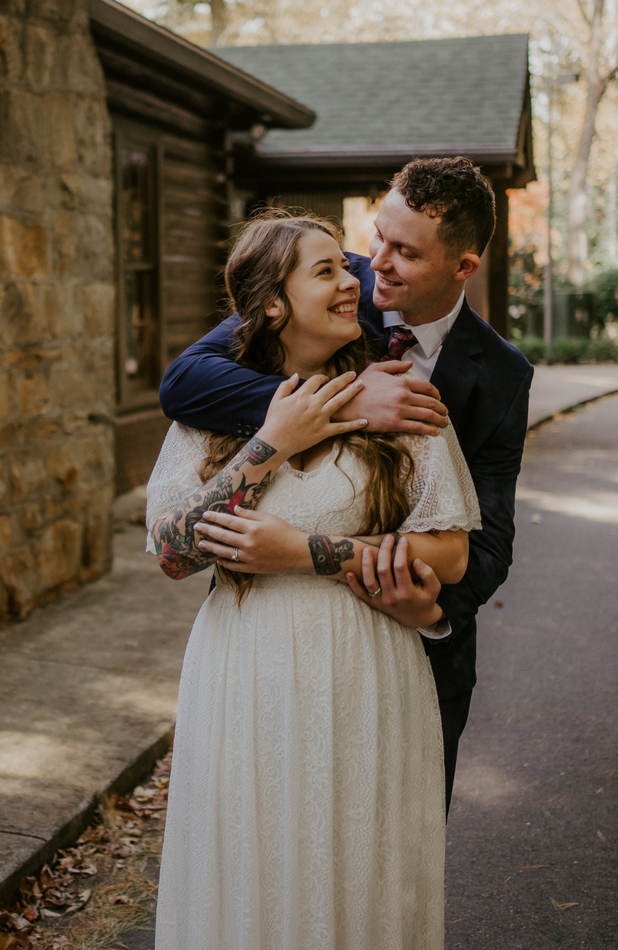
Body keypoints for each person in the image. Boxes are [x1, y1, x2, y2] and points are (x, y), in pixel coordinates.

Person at [147, 210, 481, 949]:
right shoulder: (213, 410)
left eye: (348, 268)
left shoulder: (395, 397)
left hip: (367, 671)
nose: (355, 281)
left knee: (358, 870)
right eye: (327, 270)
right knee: (252, 869)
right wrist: (269, 446)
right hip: (244, 673)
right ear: (273, 302)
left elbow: (450, 554)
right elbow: (173, 554)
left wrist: (303, 551)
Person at [160, 157, 534, 813]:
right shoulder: (325, 291)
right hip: (266, 646)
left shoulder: (502, 377)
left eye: (404, 253)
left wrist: (435, 612)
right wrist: (347, 398)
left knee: (390, 860)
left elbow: (487, 545)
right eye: (377, 236)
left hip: (412, 652)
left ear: (462, 268)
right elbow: (184, 382)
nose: (375, 264)